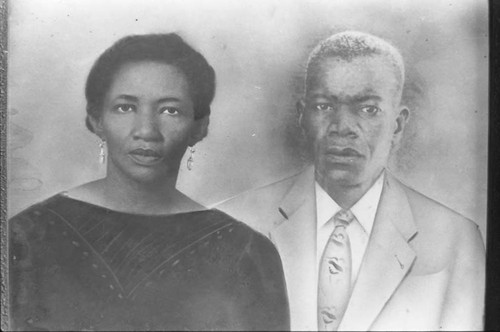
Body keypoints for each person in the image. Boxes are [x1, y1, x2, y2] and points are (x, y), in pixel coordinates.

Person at [9, 33, 289, 331]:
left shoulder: (246, 252)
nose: (146, 130)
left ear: (199, 127)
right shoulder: (27, 237)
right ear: (96, 119)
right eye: (125, 107)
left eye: (170, 110)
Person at [217, 31, 485, 331]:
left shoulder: (455, 240)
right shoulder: (229, 225)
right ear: (302, 116)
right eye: (324, 106)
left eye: (368, 109)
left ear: (397, 125)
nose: (342, 127)